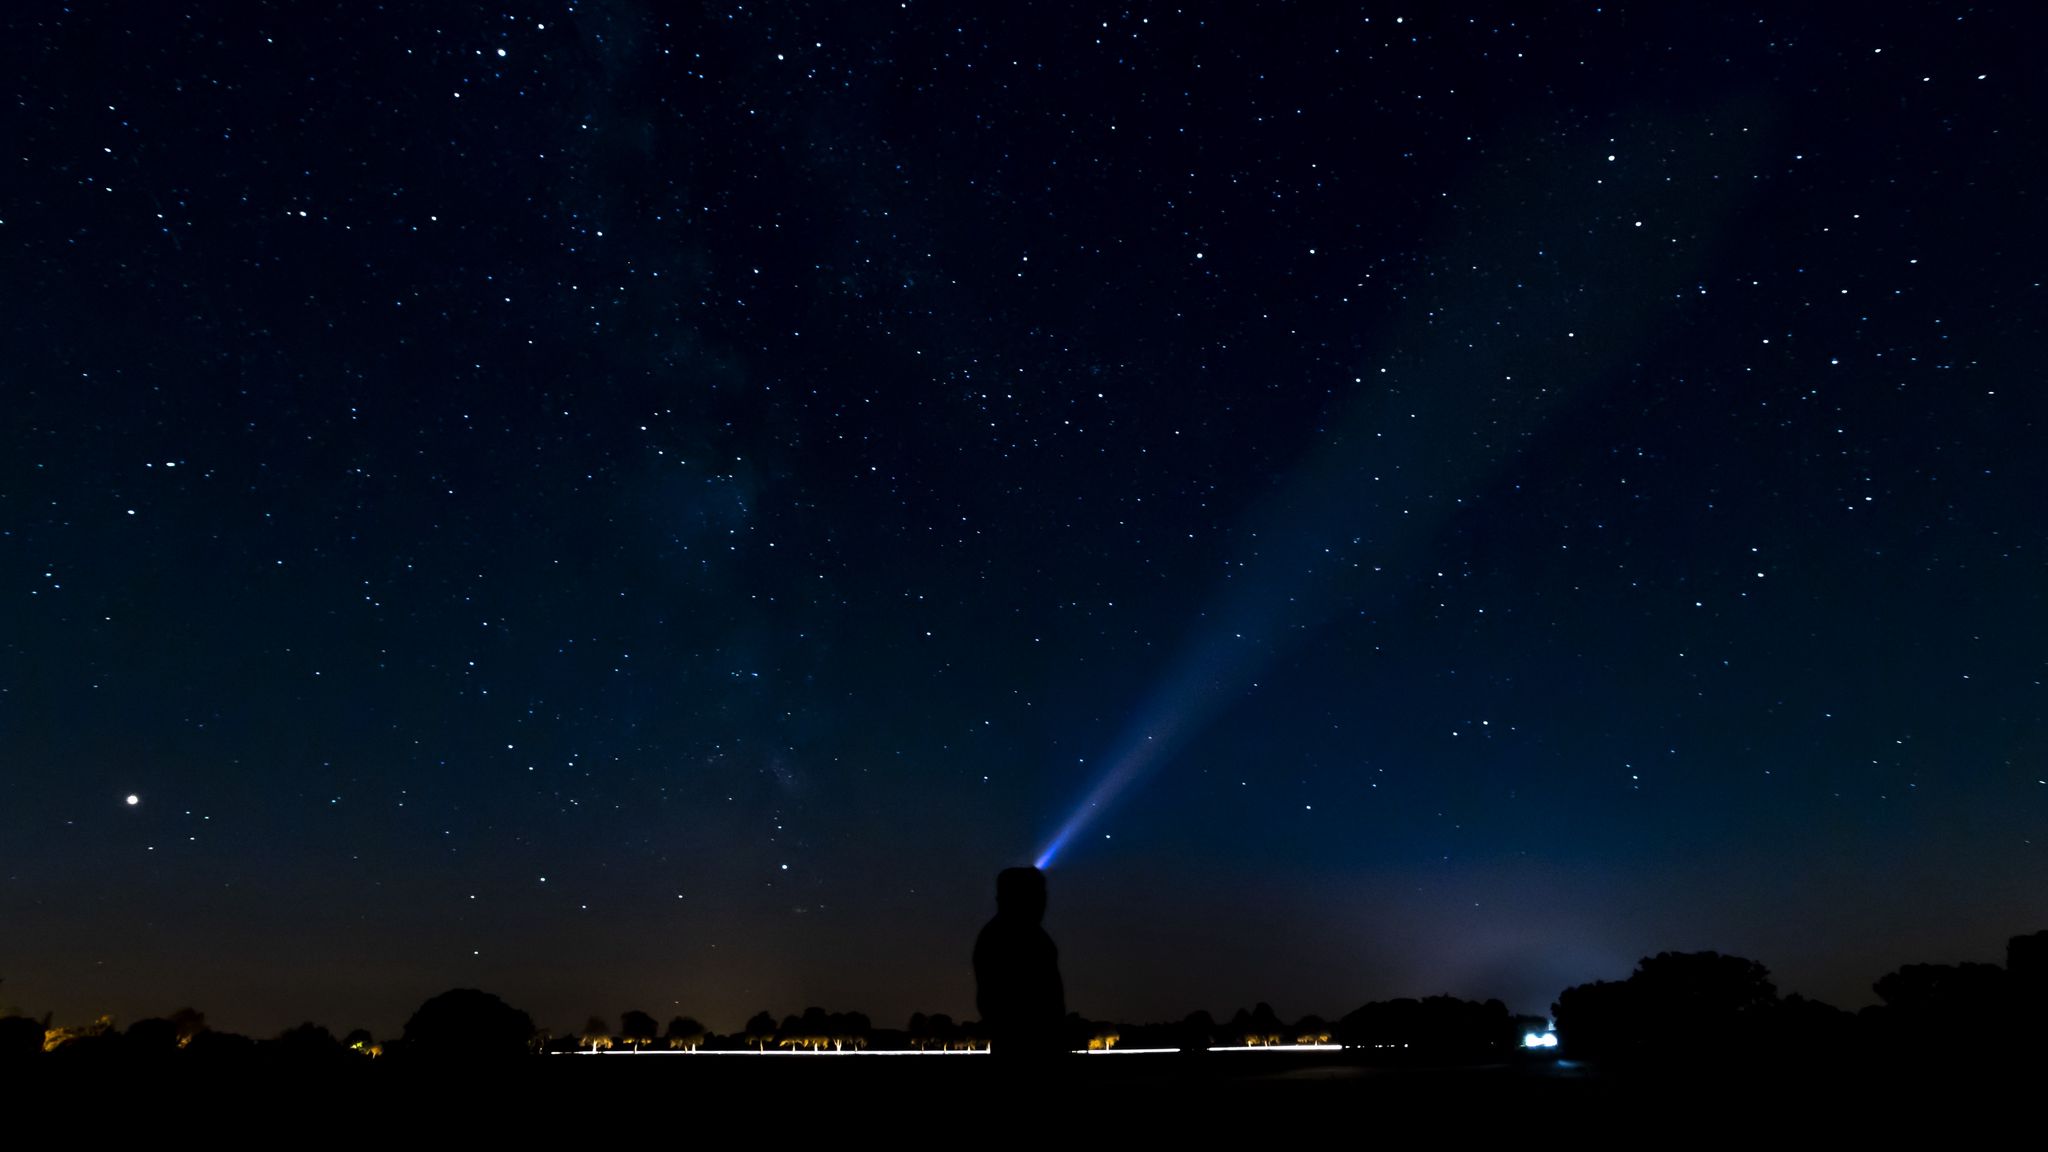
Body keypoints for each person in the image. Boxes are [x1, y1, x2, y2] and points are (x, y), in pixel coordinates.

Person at [973, 866, 1067, 1060]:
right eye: (1035, 894)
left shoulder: (1006, 934)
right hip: (1026, 1050)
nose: (1043, 902)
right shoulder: (1007, 936)